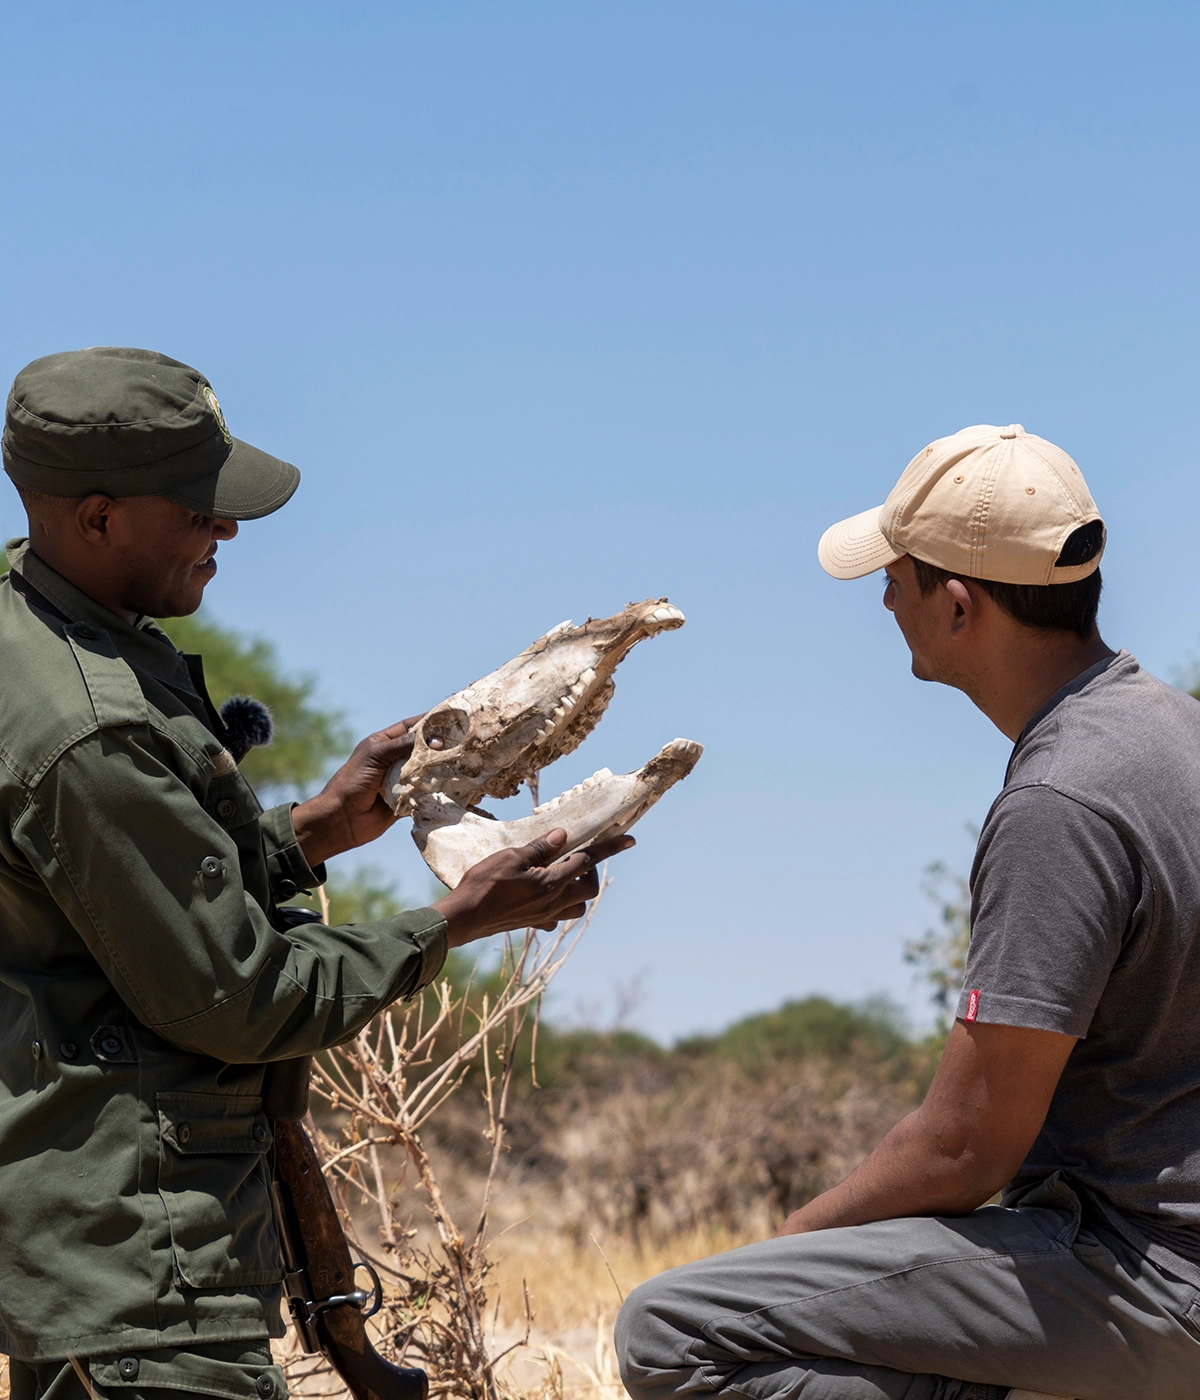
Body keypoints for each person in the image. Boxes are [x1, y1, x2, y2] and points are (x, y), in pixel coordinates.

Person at [0, 346, 631, 1400]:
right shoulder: (88, 723)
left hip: (104, 1257)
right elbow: (238, 995)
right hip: (145, 1277)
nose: (228, 528)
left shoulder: (44, 627)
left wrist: (319, 827)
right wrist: (456, 920)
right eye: (197, 506)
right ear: (98, 517)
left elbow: (121, 896)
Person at [616, 424, 1200, 1400]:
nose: (884, 597)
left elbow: (968, 1145)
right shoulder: (1174, 731)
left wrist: (789, 1242)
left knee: (671, 1325)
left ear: (960, 604)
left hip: (1145, 1276)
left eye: (898, 575)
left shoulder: (1060, 799)